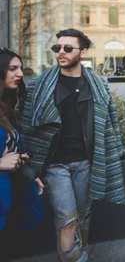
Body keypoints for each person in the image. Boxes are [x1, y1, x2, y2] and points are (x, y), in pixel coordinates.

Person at [21, 29, 125, 262]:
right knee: (66, 218)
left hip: (86, 162)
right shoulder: (39, 85)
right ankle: (74, 258)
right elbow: (26, 124)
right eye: (57, 48)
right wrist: (29, 164)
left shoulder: (97, 85)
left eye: (68, 48)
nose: (61, 52)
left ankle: (79, 252)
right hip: (54, 164)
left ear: (83, 52)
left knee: (82, 215)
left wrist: (112, 152)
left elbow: (109, 122)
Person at [0, 48, 44, 261]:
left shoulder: (7, 107)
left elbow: (11, 149)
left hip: (10, 198)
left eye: (20, 68)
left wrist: (29, 172)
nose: (20, 73)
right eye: (12, 68)